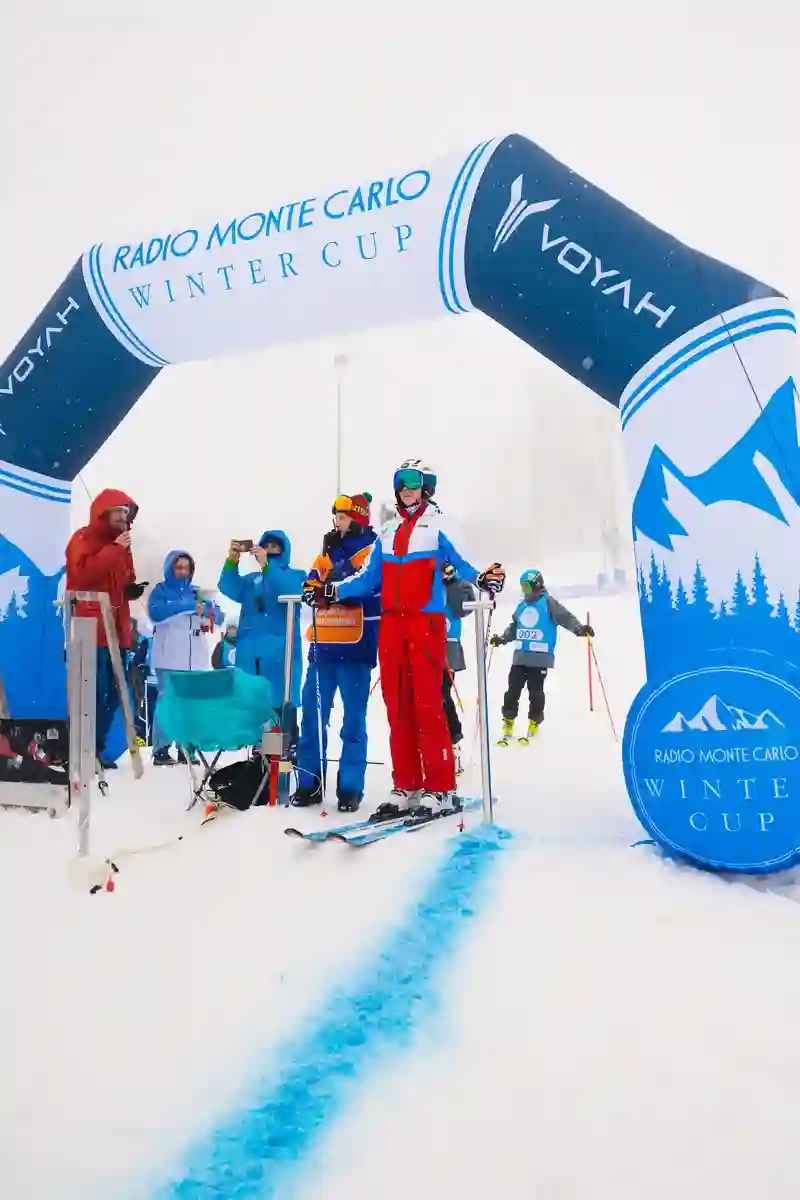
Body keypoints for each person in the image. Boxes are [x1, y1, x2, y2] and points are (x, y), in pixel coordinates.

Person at [318, 459, 505, 817]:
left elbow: (465, 562)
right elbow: (367, 578)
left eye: (413, 481)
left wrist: (484, 577)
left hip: (425, 623)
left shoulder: (439, 526)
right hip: (392, 625)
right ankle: (407, 784)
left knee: (427, 705)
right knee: (396, 705)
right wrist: (333, 591)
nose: (406, 488)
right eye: (400, 481)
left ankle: (440, 787)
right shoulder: (388, 532)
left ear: (426, 486)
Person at [293, 493, 380, 813]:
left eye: (342, 517)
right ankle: (309, 783)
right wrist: (311, 590)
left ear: (357, 518)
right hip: (323, 646)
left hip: (356, 647)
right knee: (312, 718)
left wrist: (333, 586)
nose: (337, 523)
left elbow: (368, 588)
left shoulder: (373, 549)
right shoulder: (326, 551)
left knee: (353, 722)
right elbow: (311, 582)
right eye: (336, 517)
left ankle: (350, 788)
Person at [65, 488, 147, 769]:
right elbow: (82, 575)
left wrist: (131, 589)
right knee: (90, 692)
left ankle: (95, 749)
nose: (124, 517)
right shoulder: (83, 539)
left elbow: (125, 579)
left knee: (113, 693)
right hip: (90, 629)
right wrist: (115, 550)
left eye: (126, 512)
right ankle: (80, 750)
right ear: (103, 512)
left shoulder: (122, 545)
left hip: (117, 631)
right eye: (119, 511)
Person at [490, 568, 594, 744]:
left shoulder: (548, 603)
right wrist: (502, 639)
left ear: (537, 585)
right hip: (520, 657)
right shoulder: (522, 606)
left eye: (527, 587)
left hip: (539, 658)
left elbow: (565, 617)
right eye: (522, 587)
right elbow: (515, 627)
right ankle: (508, 721)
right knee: (512, 691)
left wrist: (579, 629)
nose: (525, 591)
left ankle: (534, 722)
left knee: (535, 692)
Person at [147, 550, 223, 765]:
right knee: (169, 702)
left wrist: (207, 611)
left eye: (186, 568)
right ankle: (161, 749)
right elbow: (155, 614)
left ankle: (187, 749)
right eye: (178, 567)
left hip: (195, 659)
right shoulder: (161, 591)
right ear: (170, 568)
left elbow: (219, 618)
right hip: (169, 657)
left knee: (191, 704)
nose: (183, 572)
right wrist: (186, 607)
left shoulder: (197, 593)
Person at [217, 531, 305, 710]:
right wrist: (232, 561)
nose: (268, 550)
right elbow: (228, 587)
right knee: (248, 708)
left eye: (274, 546)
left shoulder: (296, 575)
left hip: (280, 656)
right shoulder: (252, 580)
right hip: (250, 655)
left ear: (283, 550)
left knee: (279, 707)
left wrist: (267, 566)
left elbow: (289, 590)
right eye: (266, 546)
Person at [442, 562, 475, 776]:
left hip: (448, 646)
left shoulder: (460, 585)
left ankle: (453, 742)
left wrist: (450, 582)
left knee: (441, 694)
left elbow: (462, 607)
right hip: (422, 644)